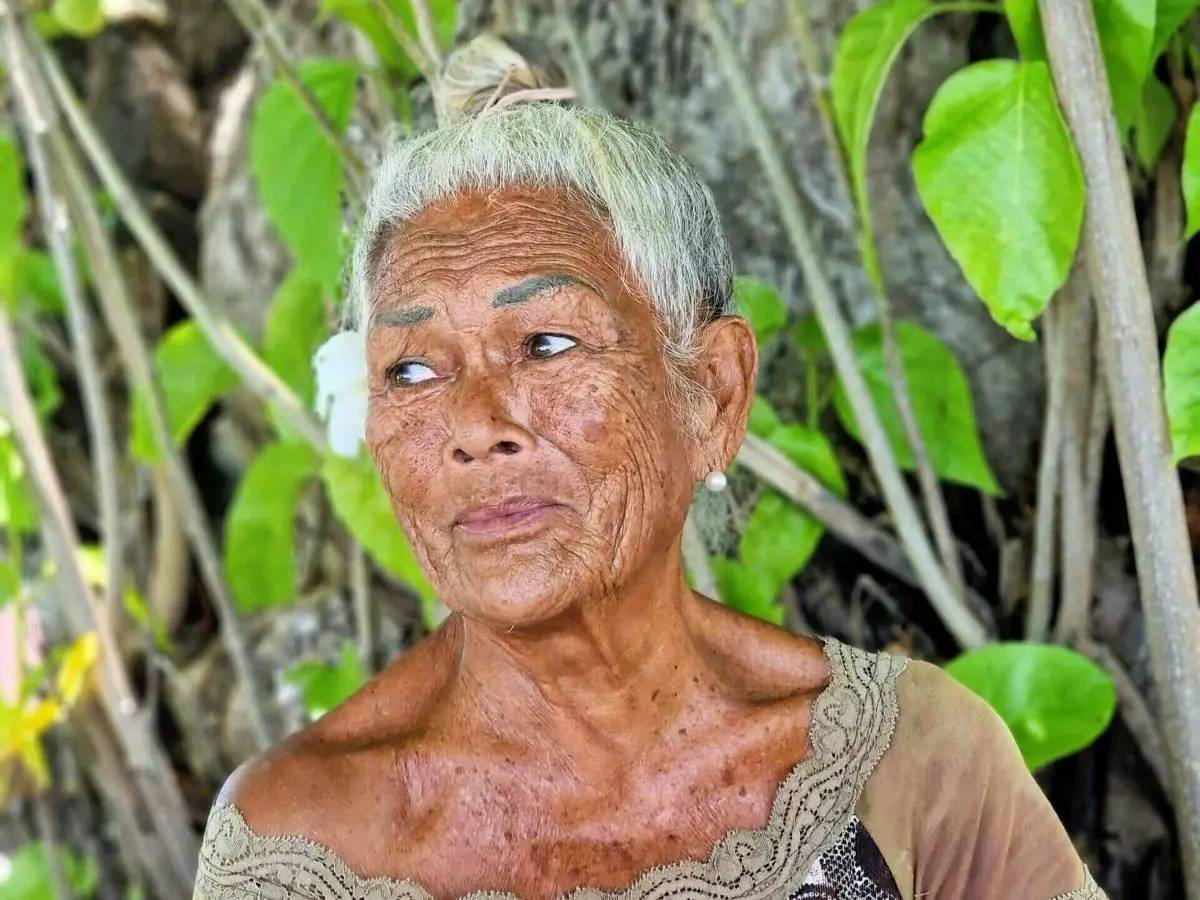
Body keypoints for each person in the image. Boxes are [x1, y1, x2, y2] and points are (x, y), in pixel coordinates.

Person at [192, 33, 1106, 900]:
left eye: (546, 343)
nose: (475, 426)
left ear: (711, 392)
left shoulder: (906, 761)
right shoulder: (295, 845)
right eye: (414, 370)